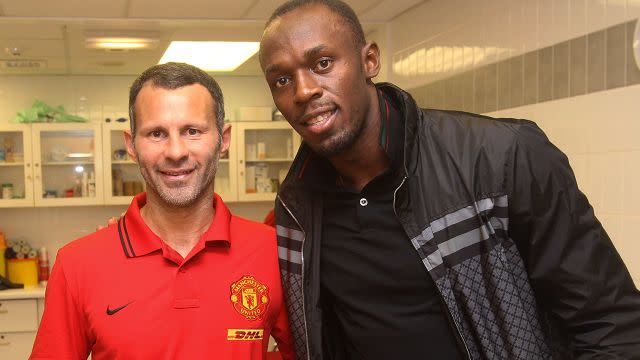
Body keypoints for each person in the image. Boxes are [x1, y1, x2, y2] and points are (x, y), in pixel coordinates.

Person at [258, 0, 640, 359]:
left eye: (323, 63)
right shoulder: (297, 209)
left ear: (369, 60)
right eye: (281, 81)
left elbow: (609, 325)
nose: (304, 91)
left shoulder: (501, 157)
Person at [30, 62, 294, 360]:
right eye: (156, 133)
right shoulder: (77, 265)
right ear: (131, 145)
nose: (175, 151)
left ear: (224, 140)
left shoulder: (273, 251)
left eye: (192, 131)